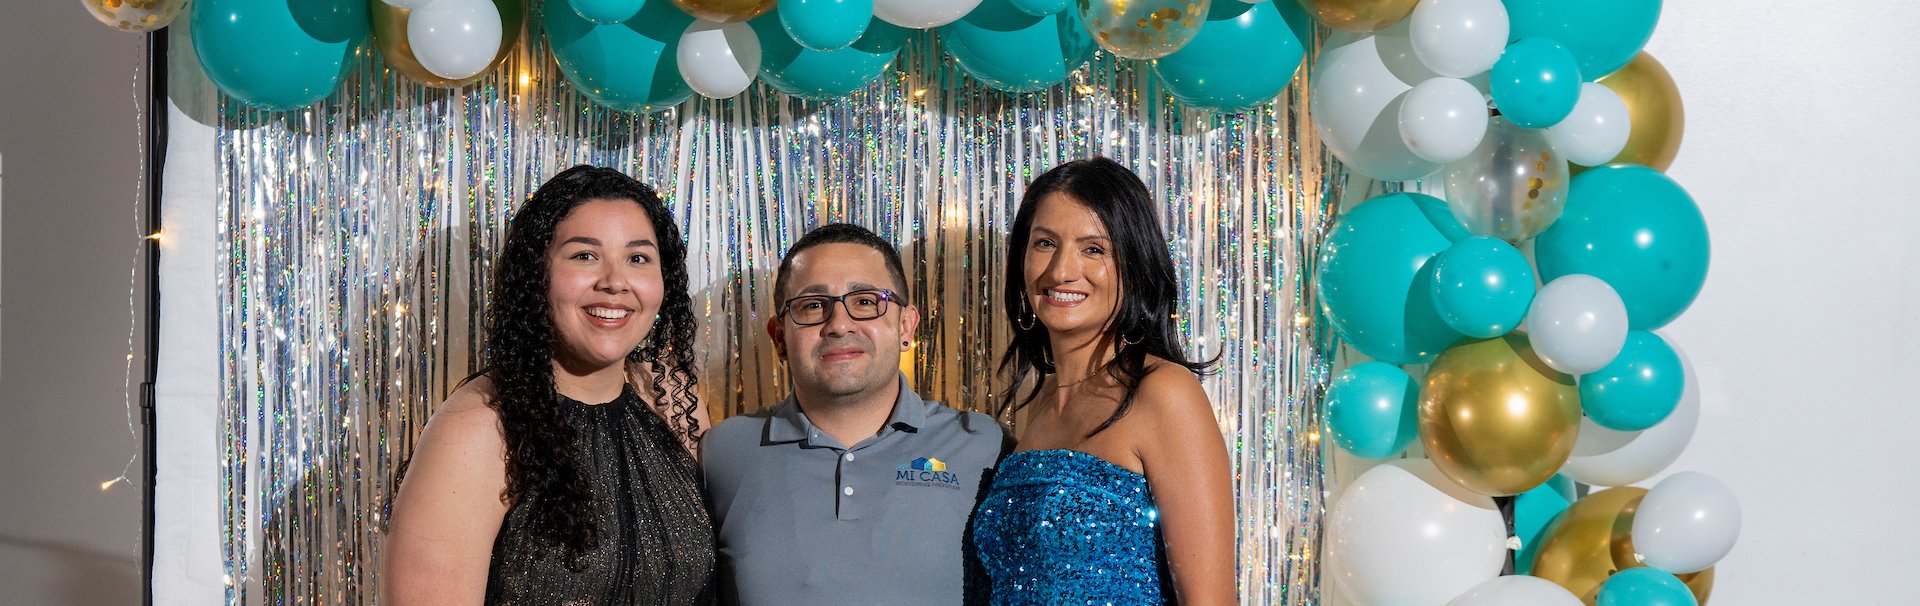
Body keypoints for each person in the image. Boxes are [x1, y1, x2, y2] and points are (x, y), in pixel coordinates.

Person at [382, 165, 713, 604]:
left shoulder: (671, 397)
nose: (615, 282)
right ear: (536, 276)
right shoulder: (479, 428)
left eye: (638, 258)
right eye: (584, 256)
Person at [700, 223, 1012, 605]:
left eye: (865, 301)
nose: (839, 325)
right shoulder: (721, 452)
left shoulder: (986, 446)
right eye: (813, 306)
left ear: (906, 325)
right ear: (779, 338)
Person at [972, 157, 1236, 605]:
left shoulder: (1162, 392)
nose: (1060, 271)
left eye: (1093, 249)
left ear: (1132, 266)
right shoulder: (1034, 410)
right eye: (1044, 243)